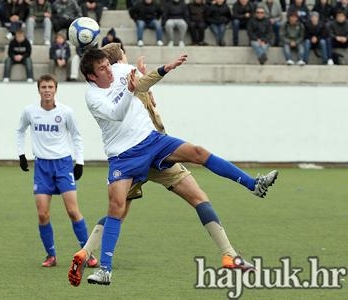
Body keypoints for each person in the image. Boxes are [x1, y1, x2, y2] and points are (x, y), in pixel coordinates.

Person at [77, 47, 278, 285]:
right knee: (116, 207)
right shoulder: (93, 97)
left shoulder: (122, 69)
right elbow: (117, 113)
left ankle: (251, 188)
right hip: (124, 156)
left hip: (153, 142)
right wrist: (130, 91)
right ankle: (103, 269)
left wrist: (165, 69)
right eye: (102, 68)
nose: (109, 70)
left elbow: (144, 83)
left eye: (108, 64)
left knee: (198, 157)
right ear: (91, 76)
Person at [16, 73, 95, 268]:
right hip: (42, 167)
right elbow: (20, 131)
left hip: (63, 165)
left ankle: (88, 254)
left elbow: (76, 136)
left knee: (73, 211)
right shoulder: (30, 112)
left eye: (50, 87)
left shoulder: (66, 112)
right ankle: (51, 255)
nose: (47, 91)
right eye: (43, 87)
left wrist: (80, 162)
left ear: (56, 89)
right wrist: (21, 154)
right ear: (38, 90)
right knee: (43, 214)